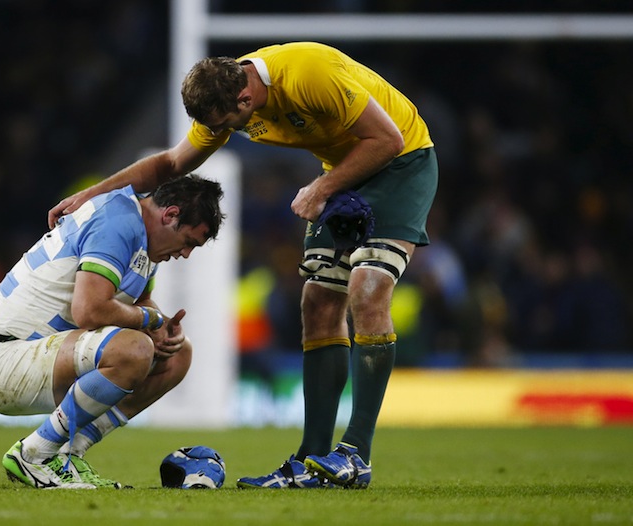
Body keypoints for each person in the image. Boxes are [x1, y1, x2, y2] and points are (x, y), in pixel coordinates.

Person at [48, 41, 438, 489]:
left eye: (227, 124)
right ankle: (312, 457)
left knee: (367, 288)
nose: (222, 132)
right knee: (317, 304)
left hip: (403, 162)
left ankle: (355, 454)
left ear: (246, 99)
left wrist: (320, 187)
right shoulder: (225, 99)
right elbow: (171, 164)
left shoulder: (309, 72)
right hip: (345, 170)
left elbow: (387, 139)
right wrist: (89, 196)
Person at [0, 174, 225, 489]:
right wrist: (151, 321)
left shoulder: (142, 234)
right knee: (134, 349)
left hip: (48, 354)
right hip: (3, 357)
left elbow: (138, 302)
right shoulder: (118, 222)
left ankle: (67, 453)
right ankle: (34, 454)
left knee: (177, 354)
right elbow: (89, 310)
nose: (185, 254)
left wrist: (162, 327)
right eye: (189, 242)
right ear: (170, 215)